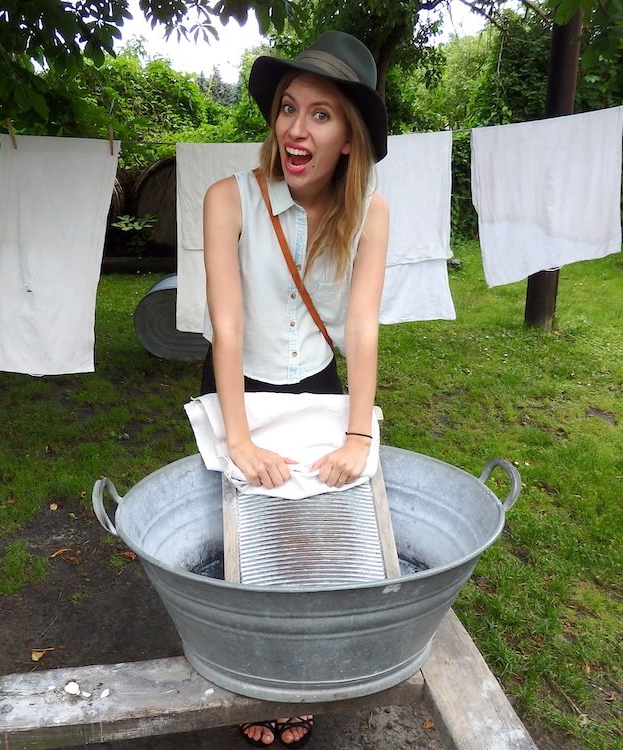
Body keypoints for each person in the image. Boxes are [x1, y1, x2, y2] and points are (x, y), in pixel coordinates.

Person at [199, 30, 390, 748]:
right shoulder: (228, 199)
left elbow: (364, 329)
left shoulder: (371, 212)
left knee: (308, 542)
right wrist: (238, 438)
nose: (295, 129)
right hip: (237, 382)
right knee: (240, 542)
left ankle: (299, 681)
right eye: (287, 108)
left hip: (317, 386)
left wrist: (358, 432)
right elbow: (226, 323)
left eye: (320, 114)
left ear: (349, 138)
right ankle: (250, 676)